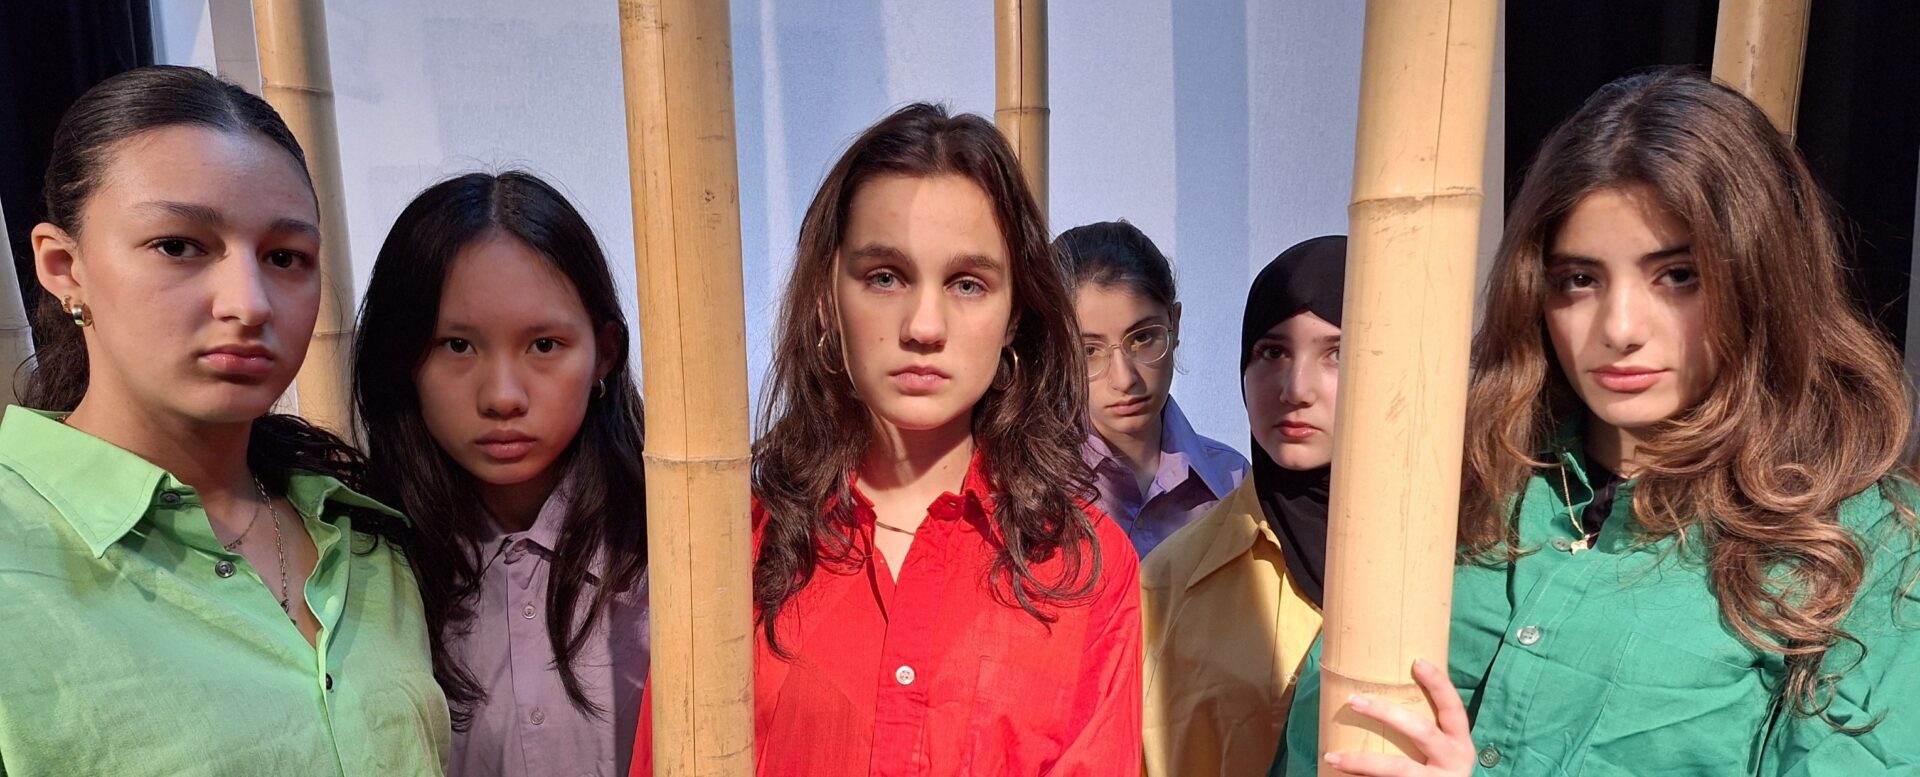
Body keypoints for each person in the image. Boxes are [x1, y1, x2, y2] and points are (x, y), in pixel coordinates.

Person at [1277, 69, 1920, 777]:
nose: (1619, 328)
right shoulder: (1463, 477)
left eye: (1678, 275)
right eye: (1579, 280)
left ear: (1760, 277)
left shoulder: (1861, 546)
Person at [630, 103, 1142, 775]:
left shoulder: (1083, 568)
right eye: (885, 277)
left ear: (1016, 313)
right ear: (827, 296)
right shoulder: (732, 553)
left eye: (967, 284)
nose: (923, 326)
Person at [0, 65, 447, 775]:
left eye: (285, 257)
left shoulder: (366, 541)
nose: (250, 302)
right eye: (179, 245)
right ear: (64, 266)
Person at [354, 171, 651, 777]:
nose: (502, 397)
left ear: (604, 353)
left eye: (543, 345)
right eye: (457, 346)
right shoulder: (361, 565)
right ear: (403, 359)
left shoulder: (677, 549)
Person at [1141, 236, 1345, 776]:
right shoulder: (1170, 582)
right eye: (1272, 352)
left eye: (1336, 353)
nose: (1295, 389)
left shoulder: (1469, 561)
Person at [1058, 220, 1247, 557]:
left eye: (1143, 337)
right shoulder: (1030, 487)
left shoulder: (1233, 481)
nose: (1124, 379)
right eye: (1089, 351)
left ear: (1175, 325)